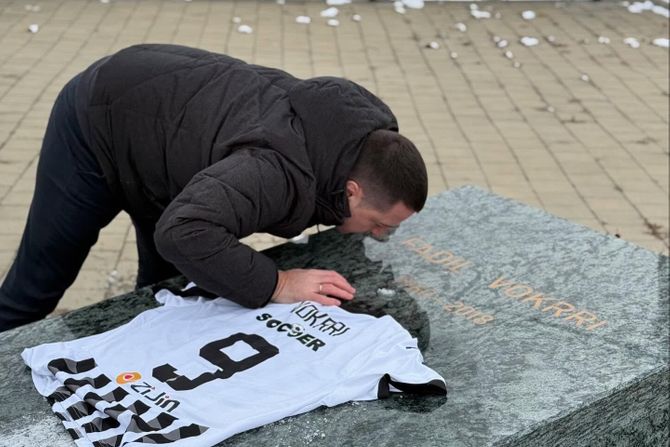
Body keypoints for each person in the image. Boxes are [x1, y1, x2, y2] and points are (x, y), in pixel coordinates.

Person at [0, 44, 427, 332]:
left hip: (165, 148)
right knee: (38, 284)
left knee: (166, 288)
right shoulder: (276, 170)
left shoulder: (350, 142)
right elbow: (183, 230)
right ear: (351, 191)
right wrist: (277, 283)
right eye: (378, 225)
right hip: (97, 120)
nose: (381, 236)